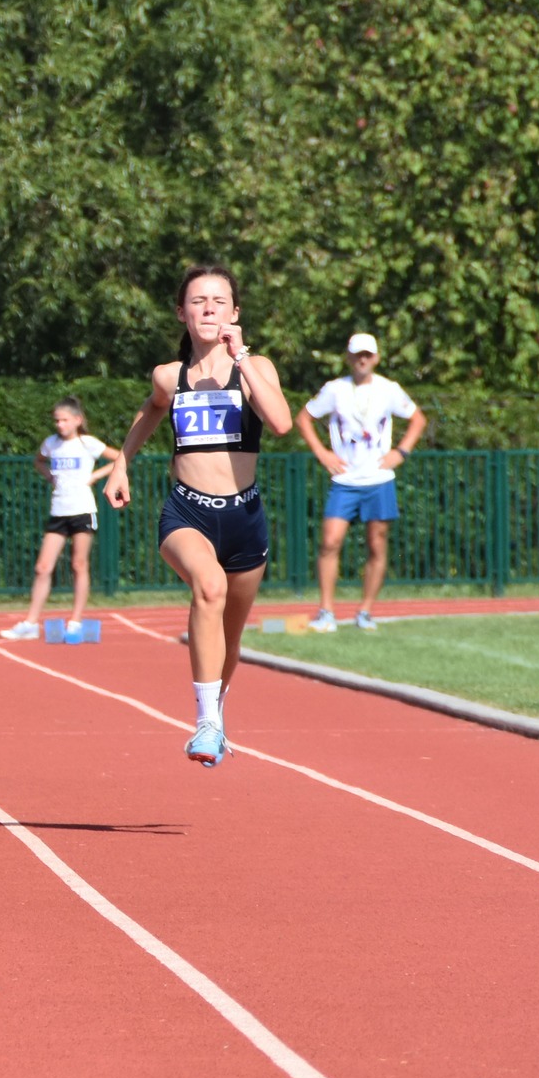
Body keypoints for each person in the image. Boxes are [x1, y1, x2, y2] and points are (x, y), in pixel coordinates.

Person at [105, 265, 292, 766]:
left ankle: (216, 709)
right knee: (208, 587)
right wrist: (122, 464)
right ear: (182, 313)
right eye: (198, 301)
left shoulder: (256, 368)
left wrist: (243, 355)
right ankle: (205, 723)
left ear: (234, 312)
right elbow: (151, 410)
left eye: (219, 301)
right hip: (188, 511)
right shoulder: (171, 375)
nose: (209, 308)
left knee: (230, 640)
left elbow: (279, 423)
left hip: (245, 518)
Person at [297, 333, 426, 632]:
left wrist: (401, 451)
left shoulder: (388, 389)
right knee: (330, 540)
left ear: (376, 358)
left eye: (368, 354)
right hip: (345, 478)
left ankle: (365, 611)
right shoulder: (335, 389)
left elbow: (418, 419)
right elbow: (303, 418)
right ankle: (327, 611)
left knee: (377, 544)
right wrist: (321, 452)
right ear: (349, 358)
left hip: (379, 478)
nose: (363, 360)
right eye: (357, 355)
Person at [1, 398, 121, 640]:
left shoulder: (87, 443)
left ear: (77, 420)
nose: (60, 425)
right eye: (57, 420)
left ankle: (75, 620)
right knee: (43, 567)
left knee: (79, 564)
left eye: (65, 420)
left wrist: (95, 476)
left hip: (82, 509)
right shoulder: (51, 444)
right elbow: (38, 461)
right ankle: (31, 622)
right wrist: (49, 476)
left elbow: (120, 457)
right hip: (59, 509)